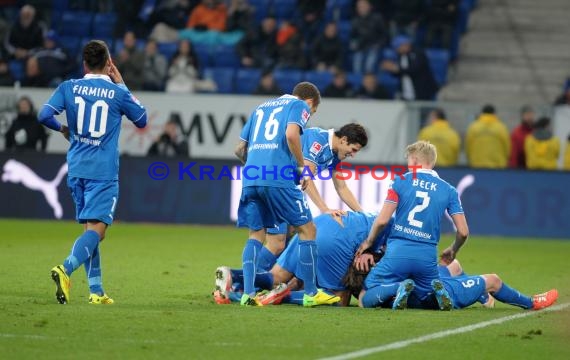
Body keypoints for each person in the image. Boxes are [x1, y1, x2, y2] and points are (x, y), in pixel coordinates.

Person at [37, 40, 147, 304]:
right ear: (109, 63)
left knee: (90, 228)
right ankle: (65, 268)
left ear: (84, 63)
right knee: (98, 230)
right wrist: (121, 83)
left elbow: (43, 115)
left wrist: (63, 129)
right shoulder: (117, 93)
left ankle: (96, 292)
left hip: (75, 168)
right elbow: (142, 120)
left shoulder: (69, 87)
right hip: (103, 172)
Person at [233, 81, 338, 307]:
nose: (309, 115)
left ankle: (247, 293)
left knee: (256, 235)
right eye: (312, 111)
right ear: (310, 102)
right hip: (278, 177)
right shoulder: (299, 105)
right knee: (308, 230)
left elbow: (239, 149)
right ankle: (311, 293)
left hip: (251, 176)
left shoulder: (260, 108)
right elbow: (292, 135)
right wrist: (302, 166)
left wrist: (256, 167)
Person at [355, 140, 469, 310]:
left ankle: (397, 287)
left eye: (409, 161)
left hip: (398, 253)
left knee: (364, 298)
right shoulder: (449, 190)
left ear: (415, 160)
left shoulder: (400, 181)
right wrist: (454, 249)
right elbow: (463, 232)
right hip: (427, 256)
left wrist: (369, 242)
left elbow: (382, 220)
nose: (408, 166)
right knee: (425, 296)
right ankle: (437, 294)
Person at [256, 123, 368, 273]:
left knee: (291, 239)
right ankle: (240, 282)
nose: (353, 155)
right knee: (279, 243)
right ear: (343, 140)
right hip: (274, 184)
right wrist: (325, 209)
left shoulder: (334, 154)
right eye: (353, 149)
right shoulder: (318, 140)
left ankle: (263, 282)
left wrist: (363, 216)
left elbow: (342, 187)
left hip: (284, 188)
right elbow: (305, 177)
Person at [214, 212, 392, 307]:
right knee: (338, 299)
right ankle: (282, 297)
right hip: (337, 239)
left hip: (316, 225)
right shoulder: (397, 232)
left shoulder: (379, 218)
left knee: (276, 277)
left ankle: (232, 276)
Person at [381, 35, 439, 101]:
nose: (397, 50)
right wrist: (390, 69)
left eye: (398, 47)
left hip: (422, 91)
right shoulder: (400, 56)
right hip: (406, 93)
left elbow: (414, 69)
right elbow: (400, 73)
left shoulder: (419, 53)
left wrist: (396, 68)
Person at [350, 0, 387, 74]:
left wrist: (378, 45)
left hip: (374, 46)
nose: (361, 8)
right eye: (359, 7)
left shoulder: (377, 18)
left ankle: (369, 81)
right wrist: (355, 44)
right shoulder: (355, 21)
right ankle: (358, 83)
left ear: (370, 7)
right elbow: (352, 37)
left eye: (363, 6)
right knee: (357, 62)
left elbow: (384, 35)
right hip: (361, 47)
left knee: (369, 63)